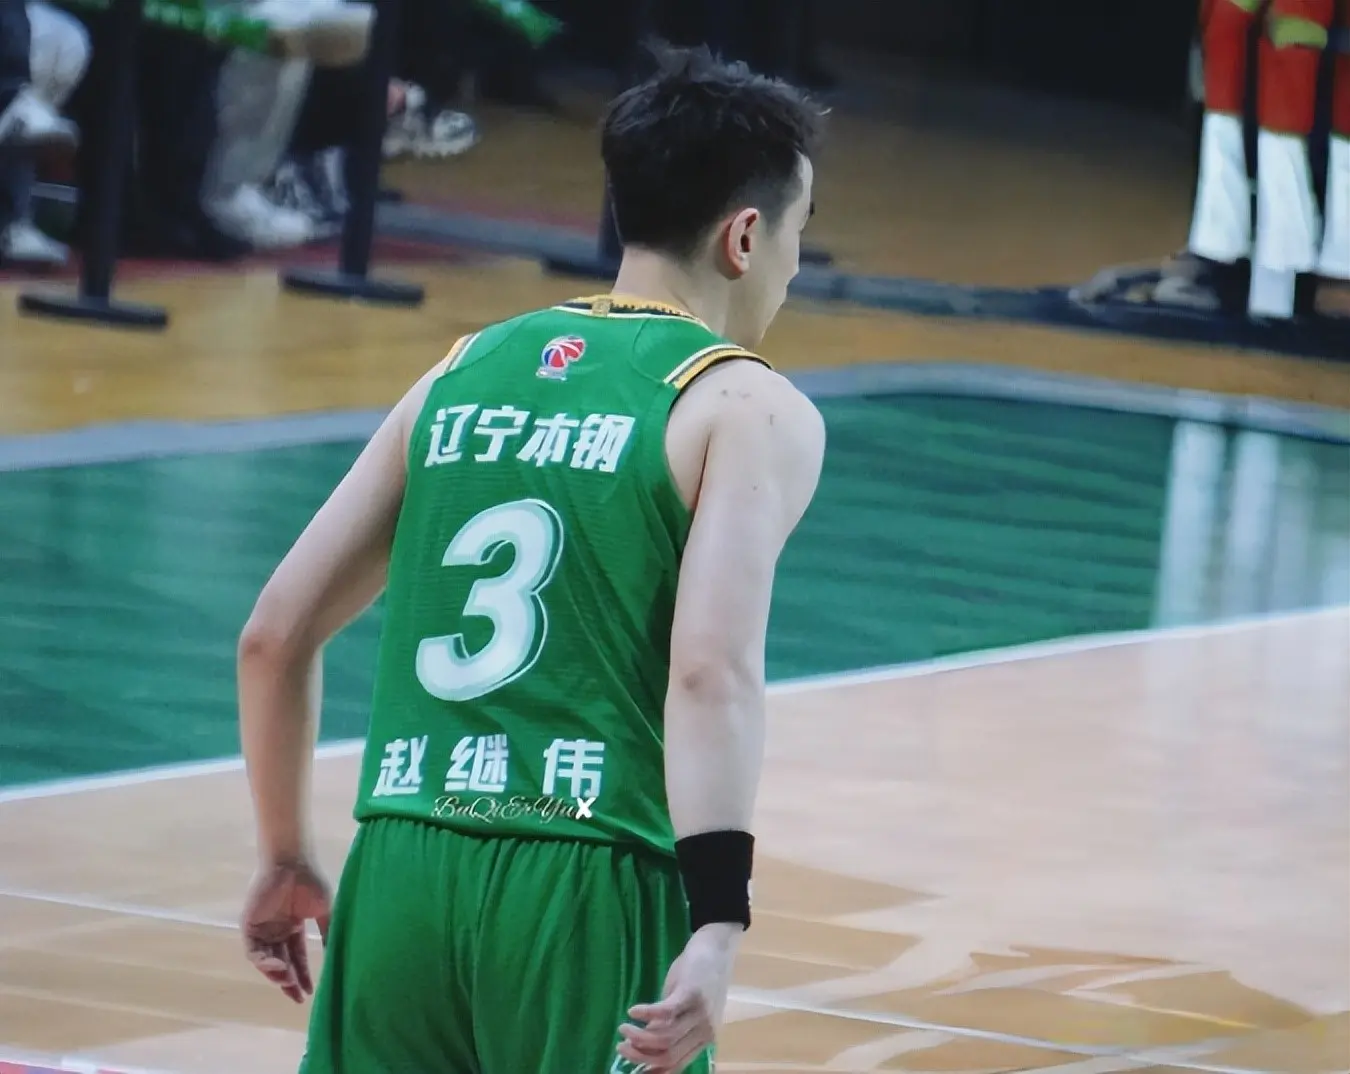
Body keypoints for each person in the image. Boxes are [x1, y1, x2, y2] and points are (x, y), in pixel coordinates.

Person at [236, 42, 826, 1074]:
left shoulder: (461, 371)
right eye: (798, 233)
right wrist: (719, 919)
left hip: (402, 862)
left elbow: (273, 636)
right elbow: (708, 673)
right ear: (744, 236)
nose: (795, 265)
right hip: (593, 877)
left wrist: (286, 855)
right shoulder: (743, 403)